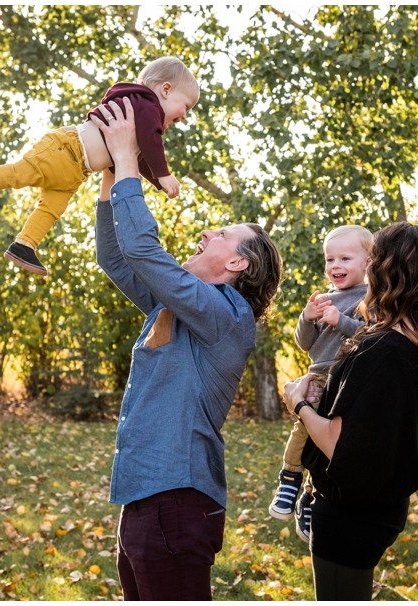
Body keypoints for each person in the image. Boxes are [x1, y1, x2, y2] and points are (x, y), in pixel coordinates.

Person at [90, 97, 284, 601]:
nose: (205, 232)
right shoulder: (179, 302)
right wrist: (111, 173)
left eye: (220, 234)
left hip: (176, 503)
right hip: (146, 500)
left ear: (239, 265)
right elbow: (117, 258)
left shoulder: (224, 314)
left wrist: (131, 158)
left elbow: (142, 249)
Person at [279, 221, 418, 600]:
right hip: (381, 508)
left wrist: (298, 403)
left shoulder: (382, 352)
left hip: (351, 518)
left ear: (387, 271)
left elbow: (338, 445)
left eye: (374, 259)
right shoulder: (416, 344)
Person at [0, 56, 196, 275]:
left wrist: (158, 182)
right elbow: (152, 143)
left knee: (51, 209)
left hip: (76, 170)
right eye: (185, 106)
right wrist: (164, 175)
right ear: (165, 89)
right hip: (65, 150)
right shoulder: (146, 104)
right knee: (19, 174)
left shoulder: (142, 116)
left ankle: (24, 244)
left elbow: (139, 159)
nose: (184, 115)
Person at [270, 225, 374, 537]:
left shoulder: (373, 297)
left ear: (369, 262)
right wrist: (307, 317)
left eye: (345, 258)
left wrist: (339, 320)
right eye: (330, 259)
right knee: (305, 427)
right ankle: (289, 478)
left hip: (349, 378)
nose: (335, 266)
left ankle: (313, 495)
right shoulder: (325, 298)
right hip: (319, 373)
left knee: (330, 439)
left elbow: (370, 337)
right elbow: (305, 343)